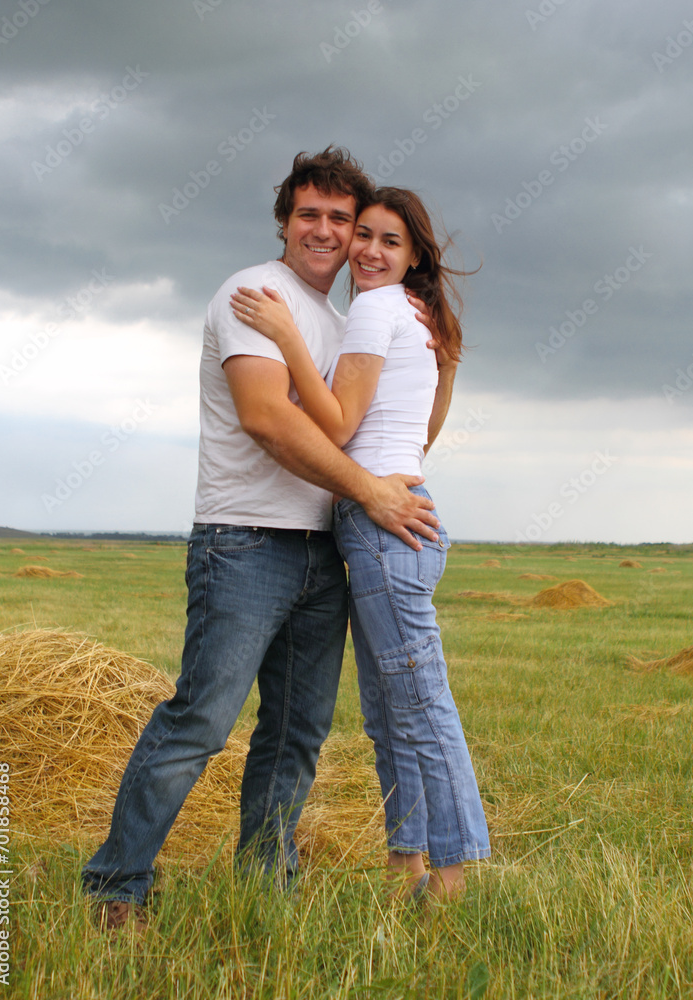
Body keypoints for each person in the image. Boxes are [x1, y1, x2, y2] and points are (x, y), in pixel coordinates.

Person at [81, 149, 442, 931]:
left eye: (339, 220)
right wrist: (372, 492)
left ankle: (263, 889)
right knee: (201, 722)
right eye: (308, 214)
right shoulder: (254, 295)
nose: (324, 230)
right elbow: (268, 419)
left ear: (355, 236)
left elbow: (381, 420)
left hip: (323, 547)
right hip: (245, 542)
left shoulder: (350, 321)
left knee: (296, 735)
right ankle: (116, 889)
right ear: (284, 220)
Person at [230, 186, 490, 902]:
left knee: (420, 706)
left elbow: (340, 426)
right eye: (364, 235)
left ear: (413, 257)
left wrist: (285, 339)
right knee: (388, 713)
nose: (371, 250)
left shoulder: (378, 307)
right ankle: (404, 865)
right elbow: (427, 429)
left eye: (390, 242)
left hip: (384, 528)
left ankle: (453, 879)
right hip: (397, 517)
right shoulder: (416, 313)